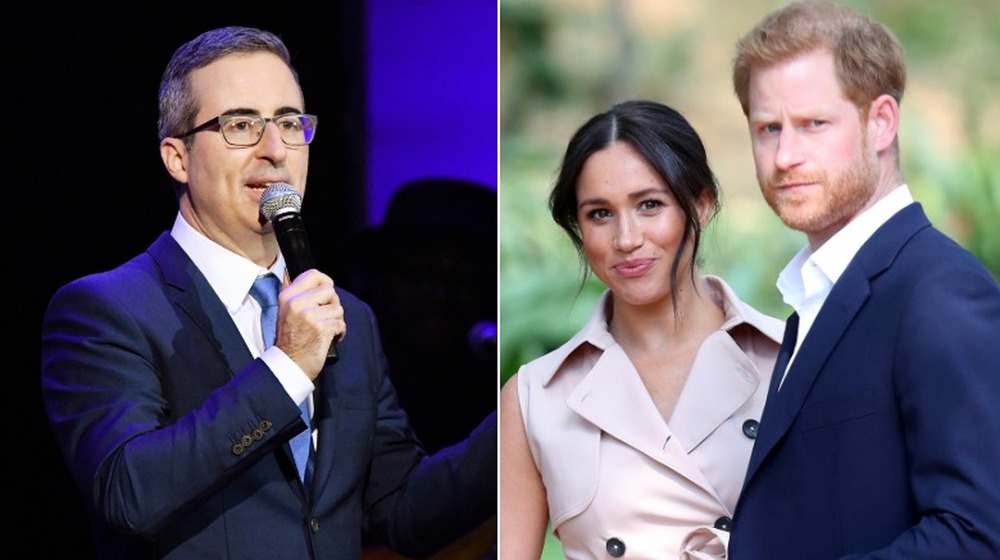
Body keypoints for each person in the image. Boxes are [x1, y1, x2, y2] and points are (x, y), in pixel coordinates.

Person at [40, 26, 495, 560]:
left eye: (289, 122)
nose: (276, 149)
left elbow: (399, 510)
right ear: (177, 158)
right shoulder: (107, 310)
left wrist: (519, 423)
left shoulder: (349, 318)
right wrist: (287, 366)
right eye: (241, 125)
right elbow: (129, 494)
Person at [727, 3, 1000, 558]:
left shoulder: (941, 294)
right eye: (768, 128)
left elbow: (978, 535)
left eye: (813, 124)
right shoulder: (819, 294)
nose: (784, 156)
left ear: (881, 122)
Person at [499, 99, 784, 559]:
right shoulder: (535, 397)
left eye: (650, 205)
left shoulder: (789, 360)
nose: (627, 239)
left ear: (702, 204)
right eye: (600, 214)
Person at [348, 177, 497, 455]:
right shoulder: (349, 379)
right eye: (418, 274)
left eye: (460, 278)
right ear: (380, 282)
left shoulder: (501, 383)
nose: (439, 294)